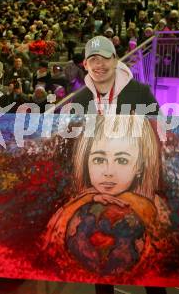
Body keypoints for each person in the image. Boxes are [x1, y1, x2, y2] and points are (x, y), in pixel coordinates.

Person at [70, 36, 165, 294]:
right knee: (102, 266)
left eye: (104, 58)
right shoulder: (78, 100)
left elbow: (159, 138)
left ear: (115, 59)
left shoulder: (140, 93)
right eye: (93, 60)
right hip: (98, 188)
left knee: (149, 264)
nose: (99, 65)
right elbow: (74, 146)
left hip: (138, 186)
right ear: (85, 65)